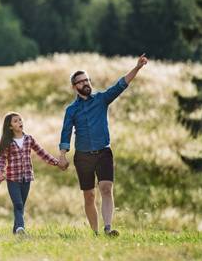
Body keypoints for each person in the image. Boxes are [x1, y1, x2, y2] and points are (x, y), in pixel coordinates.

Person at [59, 54, 149, 236]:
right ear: (74, 87)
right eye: (80, 81)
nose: (85, 83)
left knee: (106, 188)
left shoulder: (101, 99)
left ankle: (108, 228)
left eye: (87, 80)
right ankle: (95, 232)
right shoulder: (71, 110)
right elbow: (66, 132)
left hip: (103, 152)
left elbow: (120, 85)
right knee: (89, 195)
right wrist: (62, 155)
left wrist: (137, 67)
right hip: (83, 156)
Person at [0, 112, 62, 234]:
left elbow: (41, 152)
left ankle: (16, 230)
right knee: (18, 204)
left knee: (21, 205)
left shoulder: (29, 139)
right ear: (10, 126)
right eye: (15, 121)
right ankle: (21, 228)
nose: (19, 122)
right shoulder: (8, 142)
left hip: (26, 178)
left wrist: (56, 162)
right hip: (13, 178)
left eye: (20, 120)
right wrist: (0, 172)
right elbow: (1, 159)